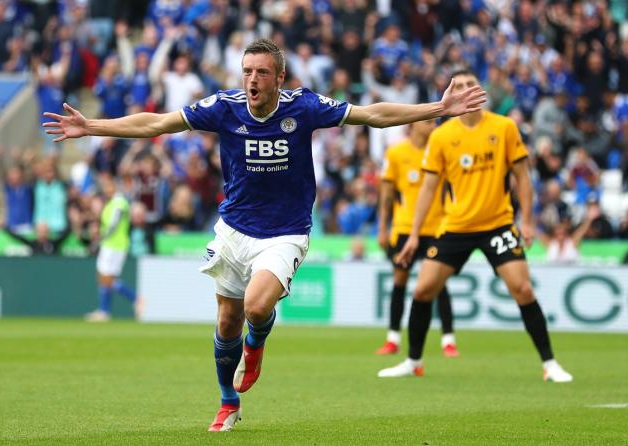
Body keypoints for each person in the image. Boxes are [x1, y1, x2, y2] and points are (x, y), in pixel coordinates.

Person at [42, 39, 486, 431]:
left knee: (256, 306)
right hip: (234, 229)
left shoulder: (304, 107)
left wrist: (438, 109)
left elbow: (372, 115)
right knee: (226, 320)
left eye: (261, 73)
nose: (252, 80)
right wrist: (94, 127)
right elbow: (156, 123)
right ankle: (227, 400)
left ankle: (256, 347)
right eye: (247, 71)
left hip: (286, 231)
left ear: (279, 78)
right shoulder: (223, 107)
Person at [378, 69, 572, 383]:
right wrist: (414, 235)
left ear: (480, 92)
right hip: (456, 226)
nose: (466, 90)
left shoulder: (504, 127)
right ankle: (413, 361)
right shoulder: (441, 136)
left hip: (498, 224)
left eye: (471, 85)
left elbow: (522, 176)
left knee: (522, 288)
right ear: (451, 93)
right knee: (424, 288)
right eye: (459, 86)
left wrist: (527, 220)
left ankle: (550, 364)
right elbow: (428, 188)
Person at [376, 120, 458, 357]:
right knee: (399, 281)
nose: (433, 126)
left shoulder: (440, 151)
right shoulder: (396, 152)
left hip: (437, 228)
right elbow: (387, 194)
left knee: (439, 284)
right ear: (414, 126)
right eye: (428, 122)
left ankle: (448, 340)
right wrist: (382, 227)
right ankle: (392, 339)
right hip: (404, 228)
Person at [85, 174, 143, 322]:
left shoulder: (119, 202)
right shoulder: (110, 203)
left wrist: (100, 239)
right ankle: (105, 310)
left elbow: (114, 223)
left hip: (116, 245)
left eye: (109, 185)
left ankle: (135, 299)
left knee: (107, 278)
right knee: (103, 278)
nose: (106, 189)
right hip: (109, 245)